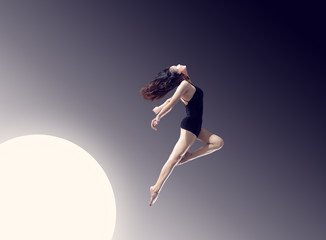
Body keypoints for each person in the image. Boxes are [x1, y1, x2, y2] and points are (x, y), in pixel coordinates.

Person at [140, 64, 224, 206]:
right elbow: (172, 102)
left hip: (196, 127)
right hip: (190, 125)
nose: (179, 64)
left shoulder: (187, 84)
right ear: (179, 74)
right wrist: (159, 116)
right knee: (174, 158)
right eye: (176, 67)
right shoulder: (184, 84)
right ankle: (156, 188)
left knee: (218, 142)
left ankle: (188, 156)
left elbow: (171, 99)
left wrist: (159, 107)